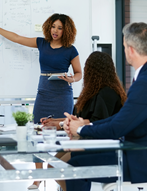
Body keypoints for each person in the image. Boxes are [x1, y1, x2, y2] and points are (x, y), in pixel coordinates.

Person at [0, 13, 82, 189]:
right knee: (37, 134)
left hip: (63, 93)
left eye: (59, 28)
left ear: (66, 30)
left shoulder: (70, 50)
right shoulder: (42, 43)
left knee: (64, 133)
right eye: (53, 26)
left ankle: (59, 172)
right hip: (44, 92)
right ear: (48, 27)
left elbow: (79, 73)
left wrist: (71, 78)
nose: (55, 31)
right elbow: (17, 38)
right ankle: (38, 177)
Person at [63, 22, 147, 191]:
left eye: (124, 47)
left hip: (138, 159)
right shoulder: (142, 78)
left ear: (130, 49)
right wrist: (87, 125)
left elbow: (117, 127)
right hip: (133, 151)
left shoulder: (143, 83)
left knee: (74, 166)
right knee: (76, 160)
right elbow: (121, 117)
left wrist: (80, 130)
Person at [41, 51, 127, 191]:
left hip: (101, 146)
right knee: (52, 165)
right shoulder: (92, 92)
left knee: (60, 167)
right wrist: (56, 121)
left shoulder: (107, 93)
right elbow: (80, 118)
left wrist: (61, 124)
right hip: (84, 140)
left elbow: (97, 121)